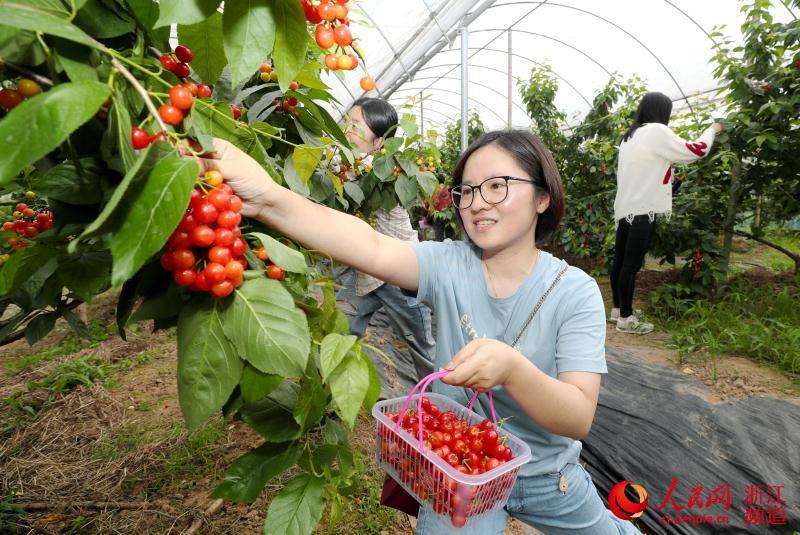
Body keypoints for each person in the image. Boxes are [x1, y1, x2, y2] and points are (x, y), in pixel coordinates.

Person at [193, 128, 640, 534]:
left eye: (498, 186)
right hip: (462, 468)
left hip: (548, 476)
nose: (478, 202)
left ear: (542, 198)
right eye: (466, 191)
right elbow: (369, 244)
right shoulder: (447, 266)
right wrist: (269, 198)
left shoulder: (573, 292)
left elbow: (578, 417)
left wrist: (511, 368)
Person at [337, 98, 436, 386]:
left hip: (399, 267)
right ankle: (332, 403)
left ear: (380, 142)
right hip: (362, 266)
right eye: (346, 121)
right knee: (342, 334)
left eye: (356, 125)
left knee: (422, 345)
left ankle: (442, 404)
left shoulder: (378, 169)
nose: (347, 129)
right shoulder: (343, 163)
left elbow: (361, 170)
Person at [610, 92, 722, 334]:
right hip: (642, 211)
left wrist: (670, 186)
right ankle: (627, 320)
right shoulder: (657, 131)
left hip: (625, 209)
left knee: (620, 263)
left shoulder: (630, 137)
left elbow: (644, 172)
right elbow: (697, 150)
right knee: (631, 265)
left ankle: (618, 311)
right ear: (662, 111)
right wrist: (712, 130)